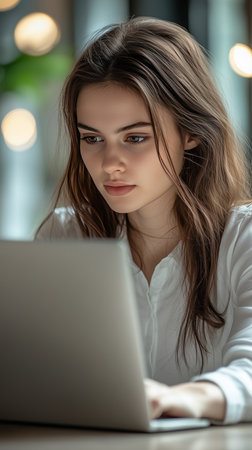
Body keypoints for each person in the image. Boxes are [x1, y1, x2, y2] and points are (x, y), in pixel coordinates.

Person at [36, 17, 252, 424]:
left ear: (191, 132)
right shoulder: (65, 236)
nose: (109, 164)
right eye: (92, 138)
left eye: (135, 138)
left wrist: (185, 399)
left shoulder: (244, 238)